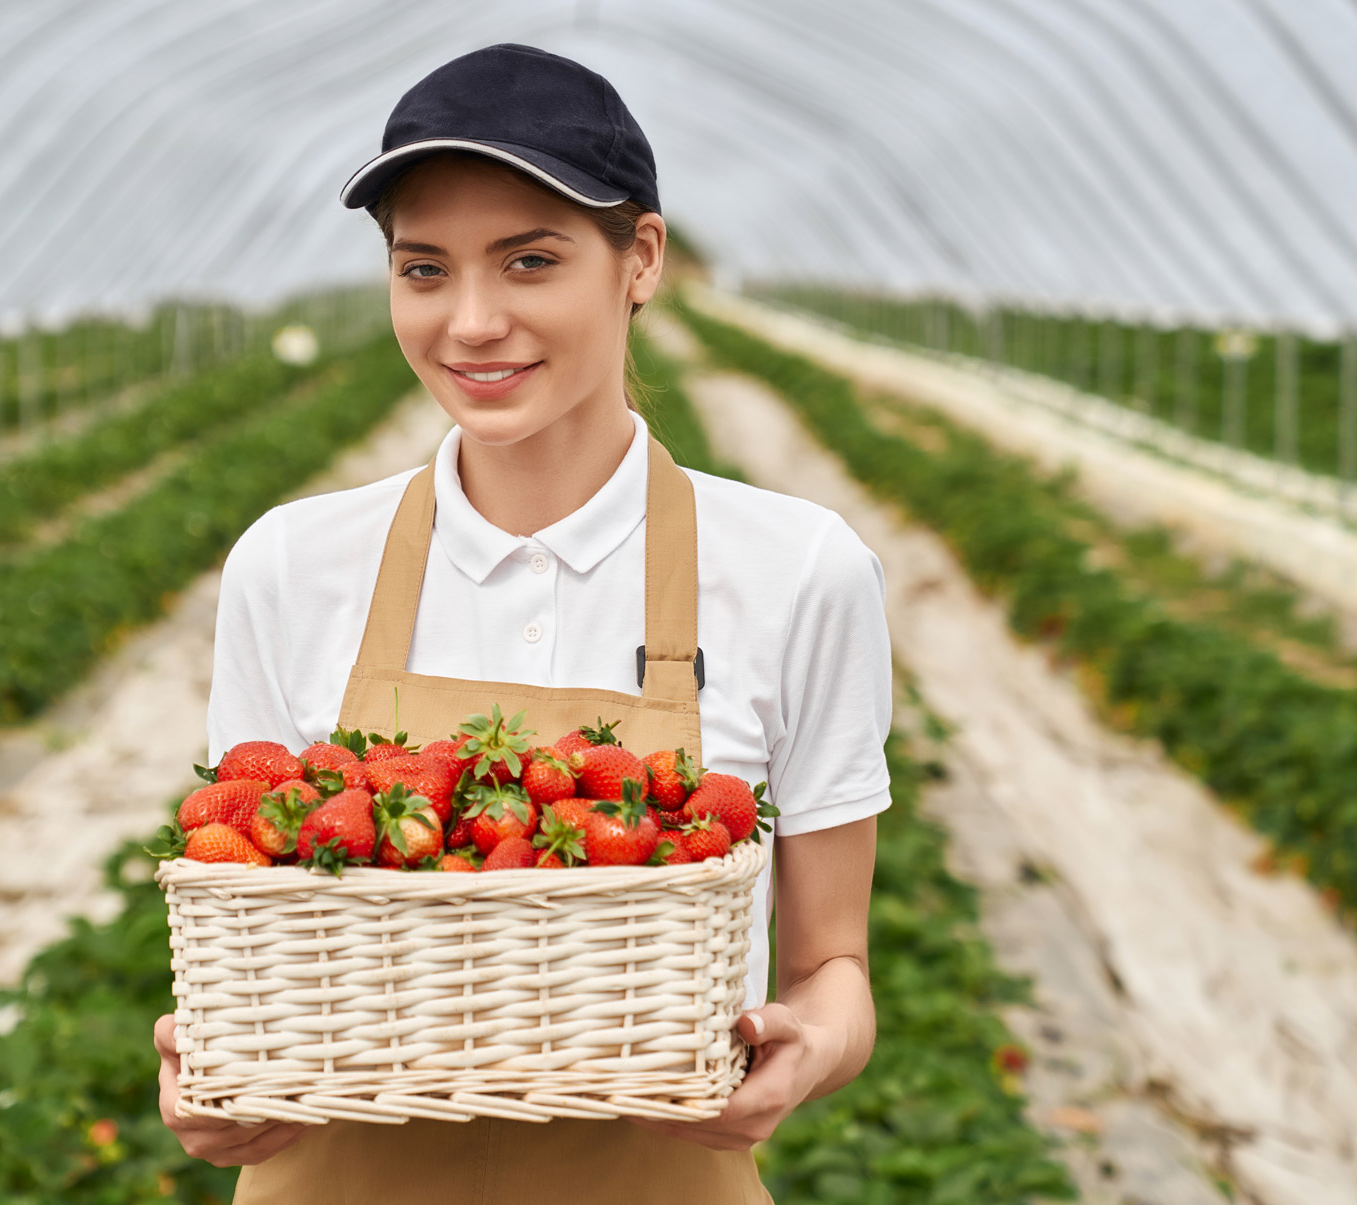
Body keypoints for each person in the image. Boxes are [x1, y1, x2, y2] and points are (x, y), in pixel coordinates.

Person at [155, 42, 890, 1204]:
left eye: (529, 260)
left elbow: (829, 964)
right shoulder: (292, 563)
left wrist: (809, 1048)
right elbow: (251, 913)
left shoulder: (797, 571)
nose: (472, 321)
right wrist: (207, 1066)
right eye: (423, 269)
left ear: (638, 258)